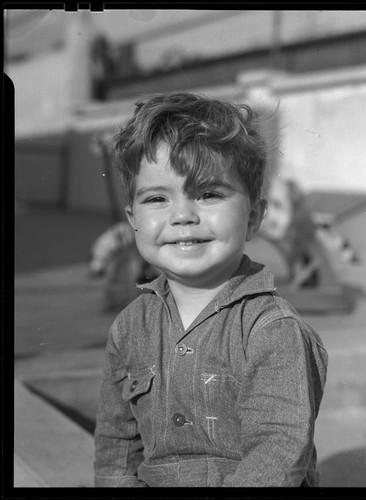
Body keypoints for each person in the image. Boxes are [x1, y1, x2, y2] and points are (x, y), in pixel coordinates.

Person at [94, 92, 328, 488]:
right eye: (157, 198)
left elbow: (278, 454)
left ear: (253, 216)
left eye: (209, 194)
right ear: (133, 219)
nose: (183, 215)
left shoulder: (271, 330)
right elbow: (117, 447)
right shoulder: (129, 328)